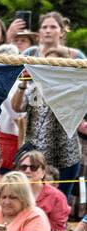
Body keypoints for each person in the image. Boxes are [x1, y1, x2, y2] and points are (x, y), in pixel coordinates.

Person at [12, 49, 80, 189]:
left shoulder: (73, 88)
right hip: (37, 158)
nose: (48, 67)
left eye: (52, 63)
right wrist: (23, 84)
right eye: (44, 63)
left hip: (66, 157)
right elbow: (17, 107)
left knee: (60, 201)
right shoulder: (37, 89)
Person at [14, 149, 69, 231]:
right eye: (23, 167)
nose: (27, 170)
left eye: (34, 167)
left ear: (43, 172)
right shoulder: (10, 191)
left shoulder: (57, 197)